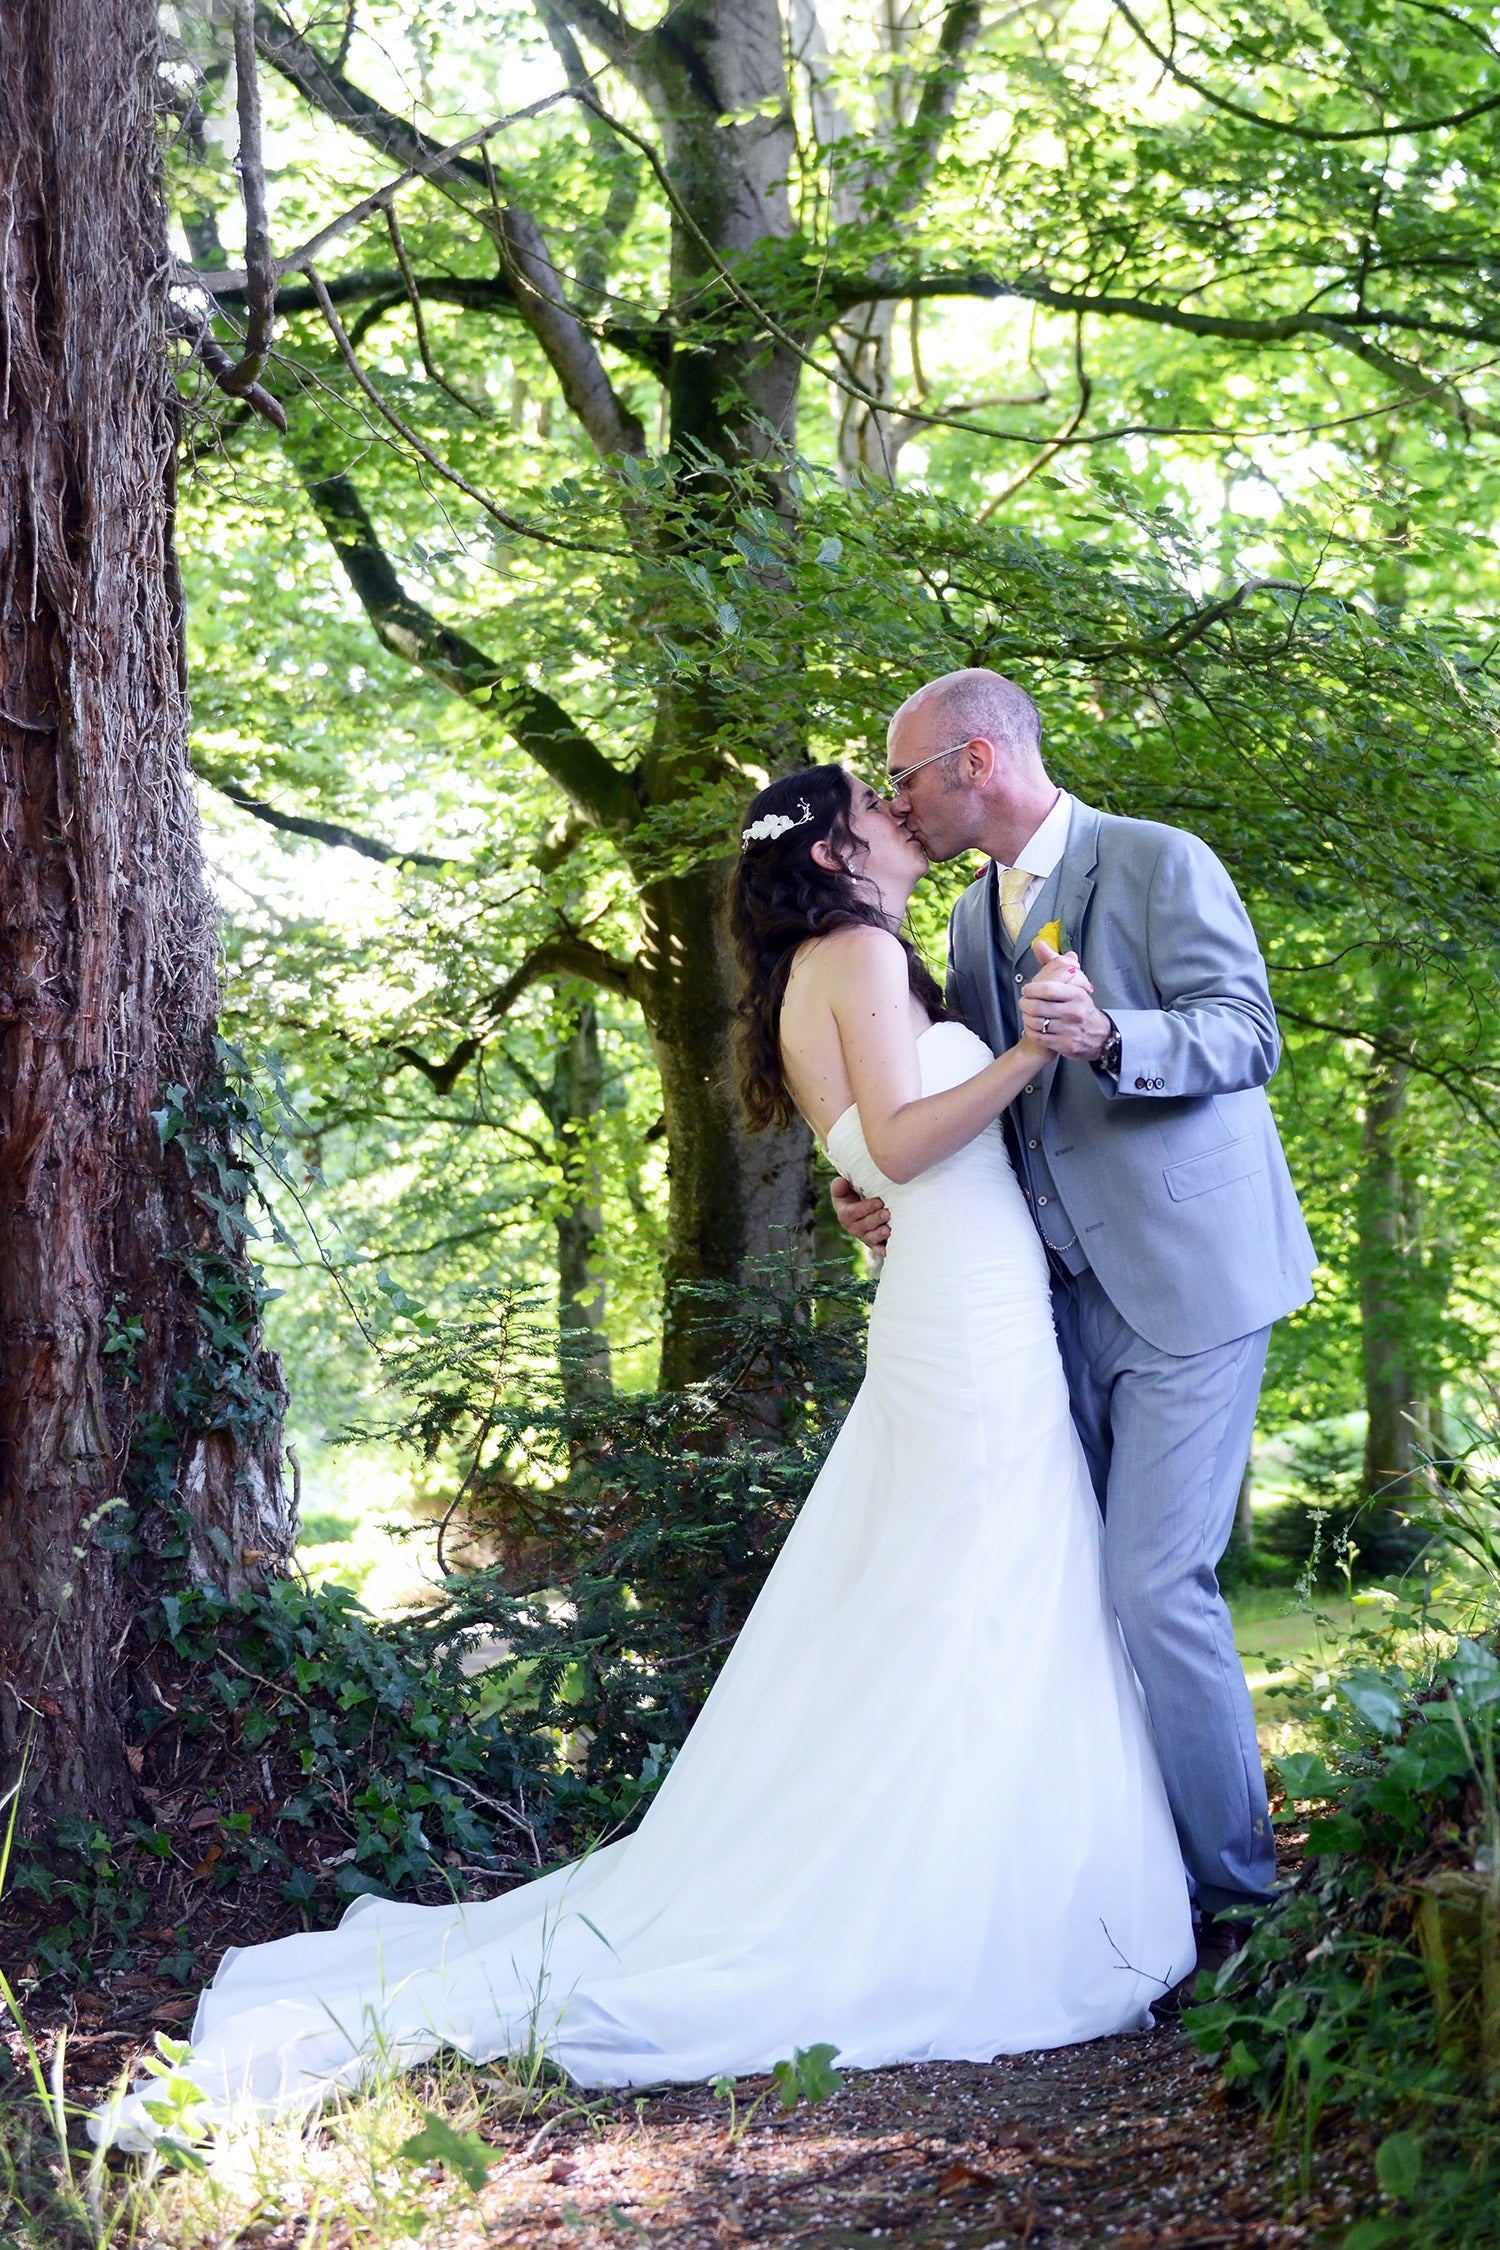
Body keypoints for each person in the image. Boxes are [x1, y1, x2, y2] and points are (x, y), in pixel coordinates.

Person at [95, 760, 1192, 2154]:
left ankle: (1005, 1868)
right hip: (964, 1312)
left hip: (956, 1295)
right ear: (837, 850)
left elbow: (875, 1147)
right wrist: (1033, 1049)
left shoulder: (837, 959)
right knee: (983, 1577)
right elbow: (908, 1145)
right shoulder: (854, 950)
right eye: (877, 807)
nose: (903, 817)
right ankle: (985, 1897)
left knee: (974, 1582)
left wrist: (886, 1166)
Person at [833, 669, 1317, 1978]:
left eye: (908, 776)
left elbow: (1247, 1033)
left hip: (1194, 1283)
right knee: (1079, 1596)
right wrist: (888, 1197)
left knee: (1155, 1584)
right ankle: (1142, 1887)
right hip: (1055, 1306)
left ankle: (1243, 1909)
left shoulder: (1158, 862)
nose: (897, 801)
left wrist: (1112, 1032)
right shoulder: (977, 924)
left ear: (975, 760)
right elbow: (997, 1105)